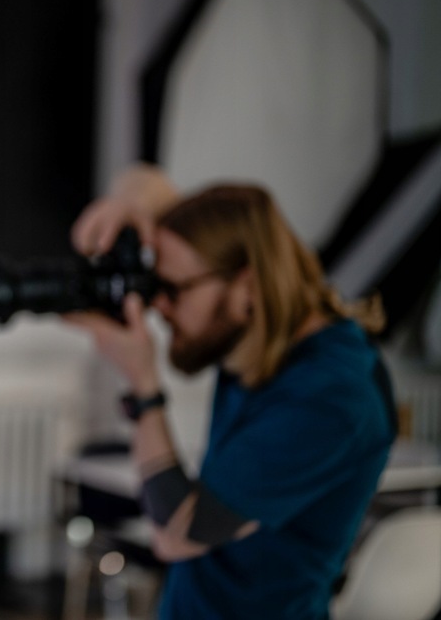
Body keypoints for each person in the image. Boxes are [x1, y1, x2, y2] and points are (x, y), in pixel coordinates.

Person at [62, 164, 397, 619]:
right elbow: (150, 185)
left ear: (247, 286)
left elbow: (177, 533)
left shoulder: (332, 395)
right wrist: (125, 208)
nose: (159, 306)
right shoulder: (254, 335)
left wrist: (142, 385)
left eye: (174, 290)